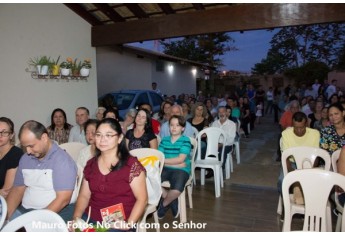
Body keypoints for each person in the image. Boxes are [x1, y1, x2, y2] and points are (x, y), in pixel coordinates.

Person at [72, 118, 147, 231]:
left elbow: (142, 199)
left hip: (119, 222)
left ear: (120, 138)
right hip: (91, 218)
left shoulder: (132, 166)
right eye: (98, 135)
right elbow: (84, 196)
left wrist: (128, 224)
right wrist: (76, 219)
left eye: (108, 135)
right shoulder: (91, 164)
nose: (102, 140)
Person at [6, 120, 77, 222]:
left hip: (56, 212)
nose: (28, 151)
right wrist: (5, 217)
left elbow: (63, 200)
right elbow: (17, 190)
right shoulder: (25, 159)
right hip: (26, 210)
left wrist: (36, 221)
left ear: (44, 138)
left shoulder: (62, 160)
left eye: (31, 146)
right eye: (25, 147)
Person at [277, 112, 320, 194]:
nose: (299, 130)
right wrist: (292, 173)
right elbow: (286, 158)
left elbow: (316, 156)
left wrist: (309, 171)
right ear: (292, 124)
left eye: (302, 127)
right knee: (282, 181)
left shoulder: (315, 134)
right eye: (296, 128)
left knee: (316, 183)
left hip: (309, 163)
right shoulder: (286, 134)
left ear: (306, 124)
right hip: (292, 163)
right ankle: (285, 201)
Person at [157, 115, 191, 219]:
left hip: (181, 169)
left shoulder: (186, 140)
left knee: (176, 189)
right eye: (171, 125)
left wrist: (165, 162)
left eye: (177, 125)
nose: (174, 127)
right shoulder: (164, 140)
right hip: (165, 168)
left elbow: (180, 159)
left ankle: (164, 204)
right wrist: (174, 163)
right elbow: (159, 157)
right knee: (151, 180)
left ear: (183, 128)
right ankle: (172, 200)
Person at [0, 117, 23, 199]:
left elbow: (6, 191)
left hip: (6, 203)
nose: (0, 136)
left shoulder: (16, 154)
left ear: (11, 135)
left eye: (4, 132)